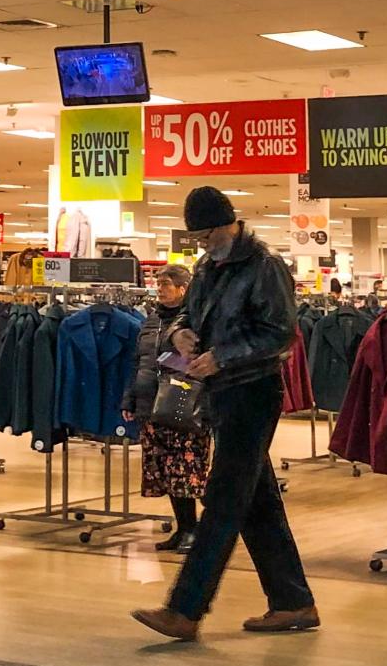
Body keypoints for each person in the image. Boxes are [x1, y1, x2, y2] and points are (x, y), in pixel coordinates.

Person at [133, 187, 317, 641]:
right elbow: (187, 316)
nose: (200, 243)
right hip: (221, 394)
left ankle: (185, 609)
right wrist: (180, 335)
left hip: (253, 391)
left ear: (226, 223)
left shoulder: (264, 266)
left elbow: (280, 333)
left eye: (205, 233)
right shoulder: (207, 269)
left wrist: (223, 356)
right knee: (257, 502)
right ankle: (293, 601)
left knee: (223, 499)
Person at [124, 263, 210, 553]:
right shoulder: (150, 321)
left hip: (183, 402)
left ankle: (193, 531)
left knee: (184, 468)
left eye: (166, 284)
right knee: (163, 469)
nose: (159, 289)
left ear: (183, 289)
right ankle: (184, 528)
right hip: (152, 403)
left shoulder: (194, 322)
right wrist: (131, 398)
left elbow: (199, 361)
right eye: (158, 284)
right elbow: (139, 361)